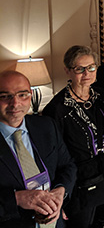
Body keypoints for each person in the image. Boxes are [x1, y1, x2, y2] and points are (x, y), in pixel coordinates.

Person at [43, 46, 104, 228]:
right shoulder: (57, 109)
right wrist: (58, 196)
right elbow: (53, 159)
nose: (87, 73)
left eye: (91, 67)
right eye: (80, 69)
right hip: (81, 183)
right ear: (68, 71)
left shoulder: (100, 95)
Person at [0, 71, 76, 228]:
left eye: (22, 95)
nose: (15, 104)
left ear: (31, 94)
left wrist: (61, 190)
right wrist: (17, 198)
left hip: (55, 223)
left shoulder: (46, 126)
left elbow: (68, 166)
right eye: (5, 96)